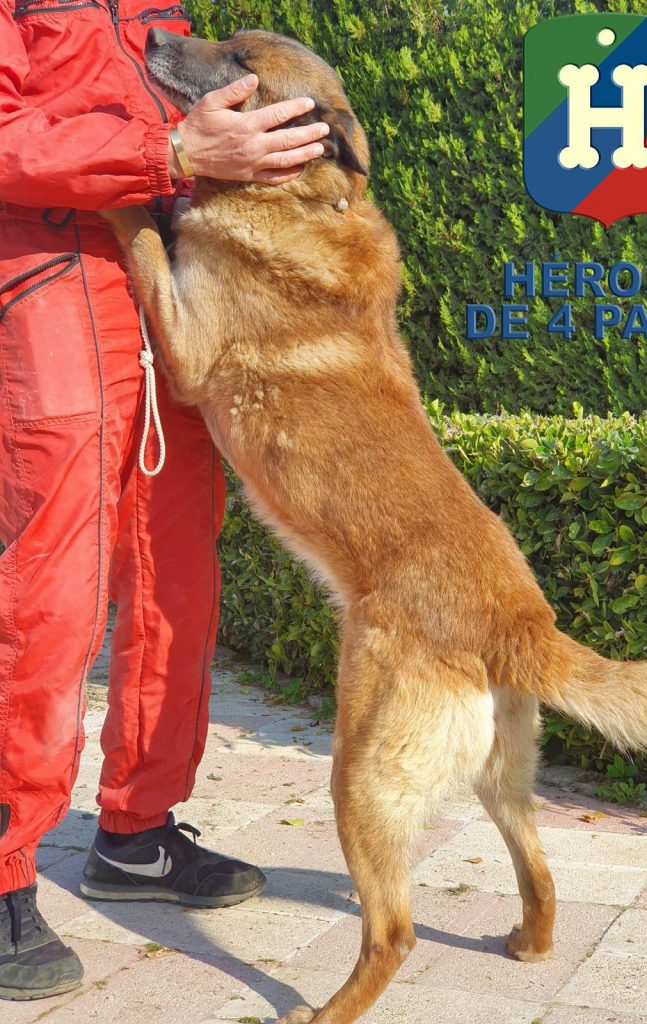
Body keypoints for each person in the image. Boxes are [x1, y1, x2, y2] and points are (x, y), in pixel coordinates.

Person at [0, 0, 330, 1002]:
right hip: (46, 266)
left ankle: (136, 832)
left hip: (168, 264)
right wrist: (173, 148)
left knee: (176, 571)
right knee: (47, 591)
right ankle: (6, 867)